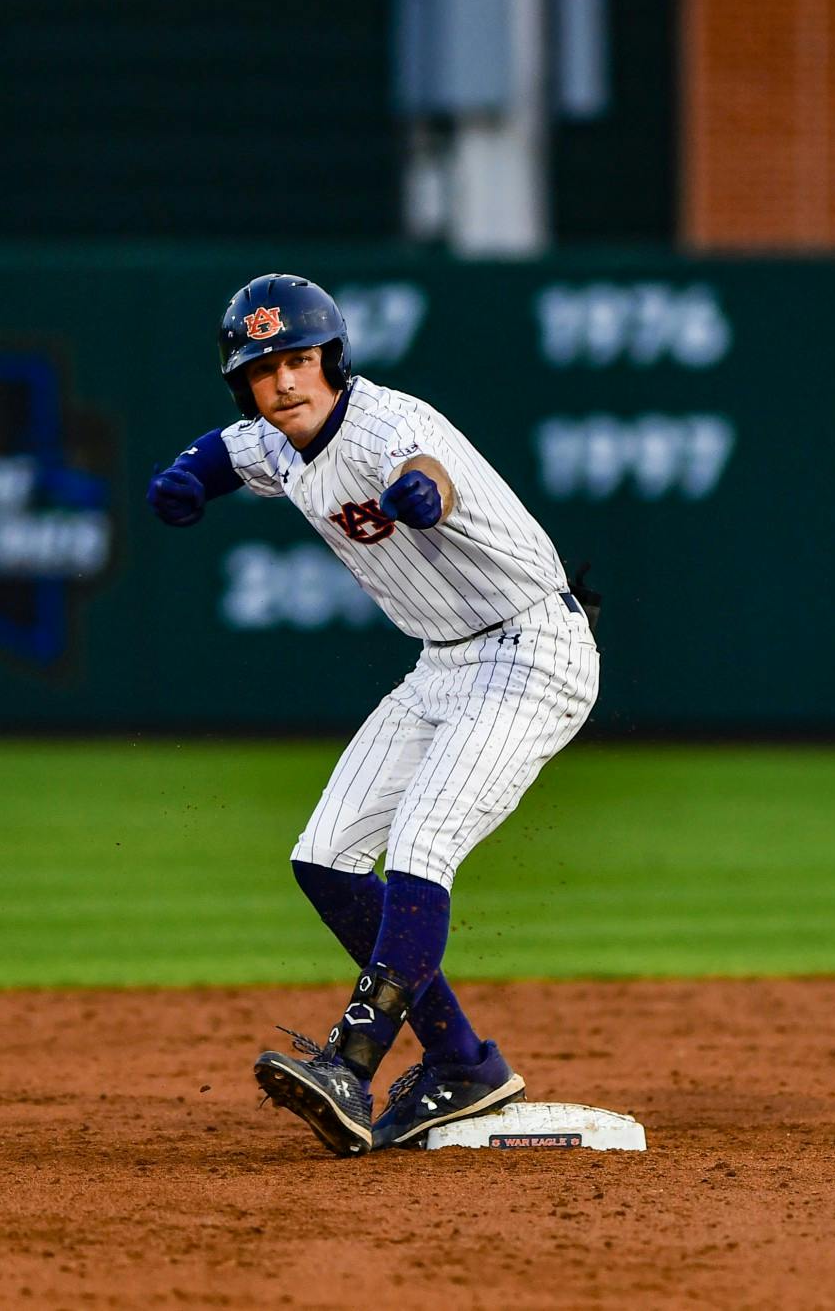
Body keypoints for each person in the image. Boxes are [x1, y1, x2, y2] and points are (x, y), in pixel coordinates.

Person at [146, 273, 600, 1155]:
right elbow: (226, 453)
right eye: (262, 369)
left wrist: (424, 494)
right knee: (325, 858)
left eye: (299, 359)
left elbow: (425, 469)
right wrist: (186, 477)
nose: (284, 381)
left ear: (333, 360)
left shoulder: (389, 424)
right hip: (443, 662)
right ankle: (462, 1063)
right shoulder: (277, 440)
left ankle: (352, 1063)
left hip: (532, 649)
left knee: (422, 841)